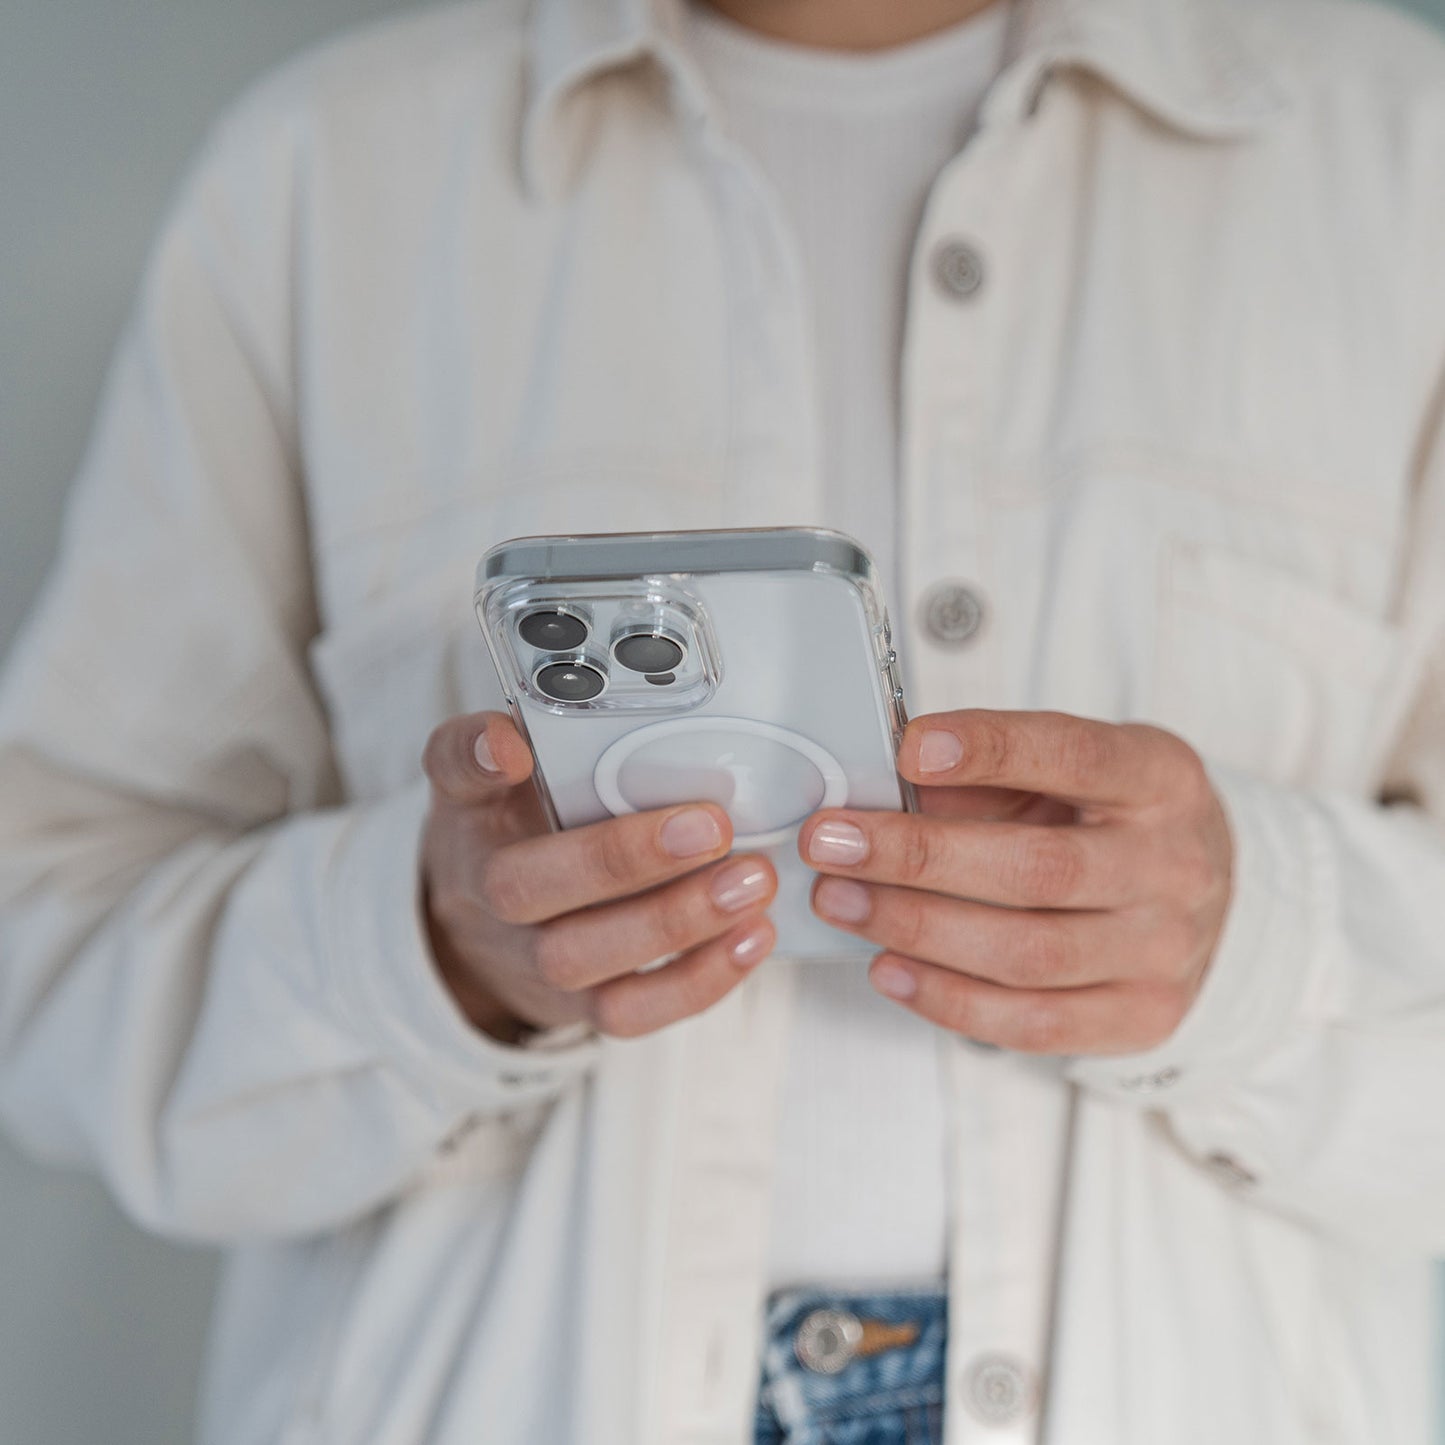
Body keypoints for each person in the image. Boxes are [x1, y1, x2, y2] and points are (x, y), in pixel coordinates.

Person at [2, 0, 1445, 1439]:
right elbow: (43, 943)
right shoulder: (328, 172)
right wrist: (426, 948)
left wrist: (1255, 940)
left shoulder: (1400, 155)